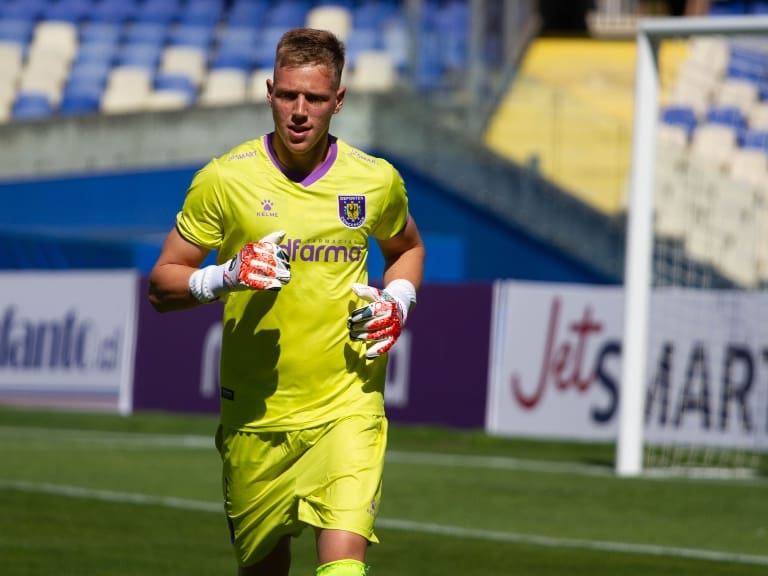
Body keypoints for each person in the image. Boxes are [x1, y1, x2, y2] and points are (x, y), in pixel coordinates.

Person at [148, 27, 425, 576]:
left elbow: (407, 248)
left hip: (348, 404)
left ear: (338, 101)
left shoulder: (374, 181)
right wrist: (224, 275)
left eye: (316, 99)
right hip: (256, 418)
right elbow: (162, 283)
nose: (300, 111)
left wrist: (399, 298)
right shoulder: (225, 180)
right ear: (269, 91)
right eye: (288, 96)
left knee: (343, 570)